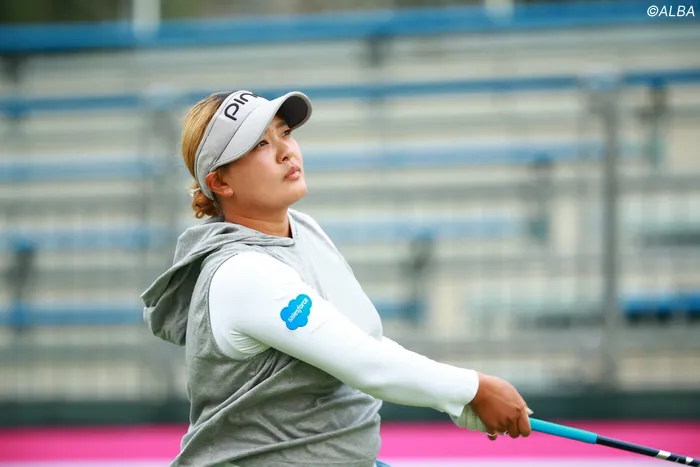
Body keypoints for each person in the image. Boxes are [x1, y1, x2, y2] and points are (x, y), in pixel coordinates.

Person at [141, 90, 533, 467]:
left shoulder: (303, 229)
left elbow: (363, 341)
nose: (285, 151)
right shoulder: (242, 271)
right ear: (220, 183)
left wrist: (459, 399)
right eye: (260, 144)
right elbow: (365, 364)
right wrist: (473, 389)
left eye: (285, 133)